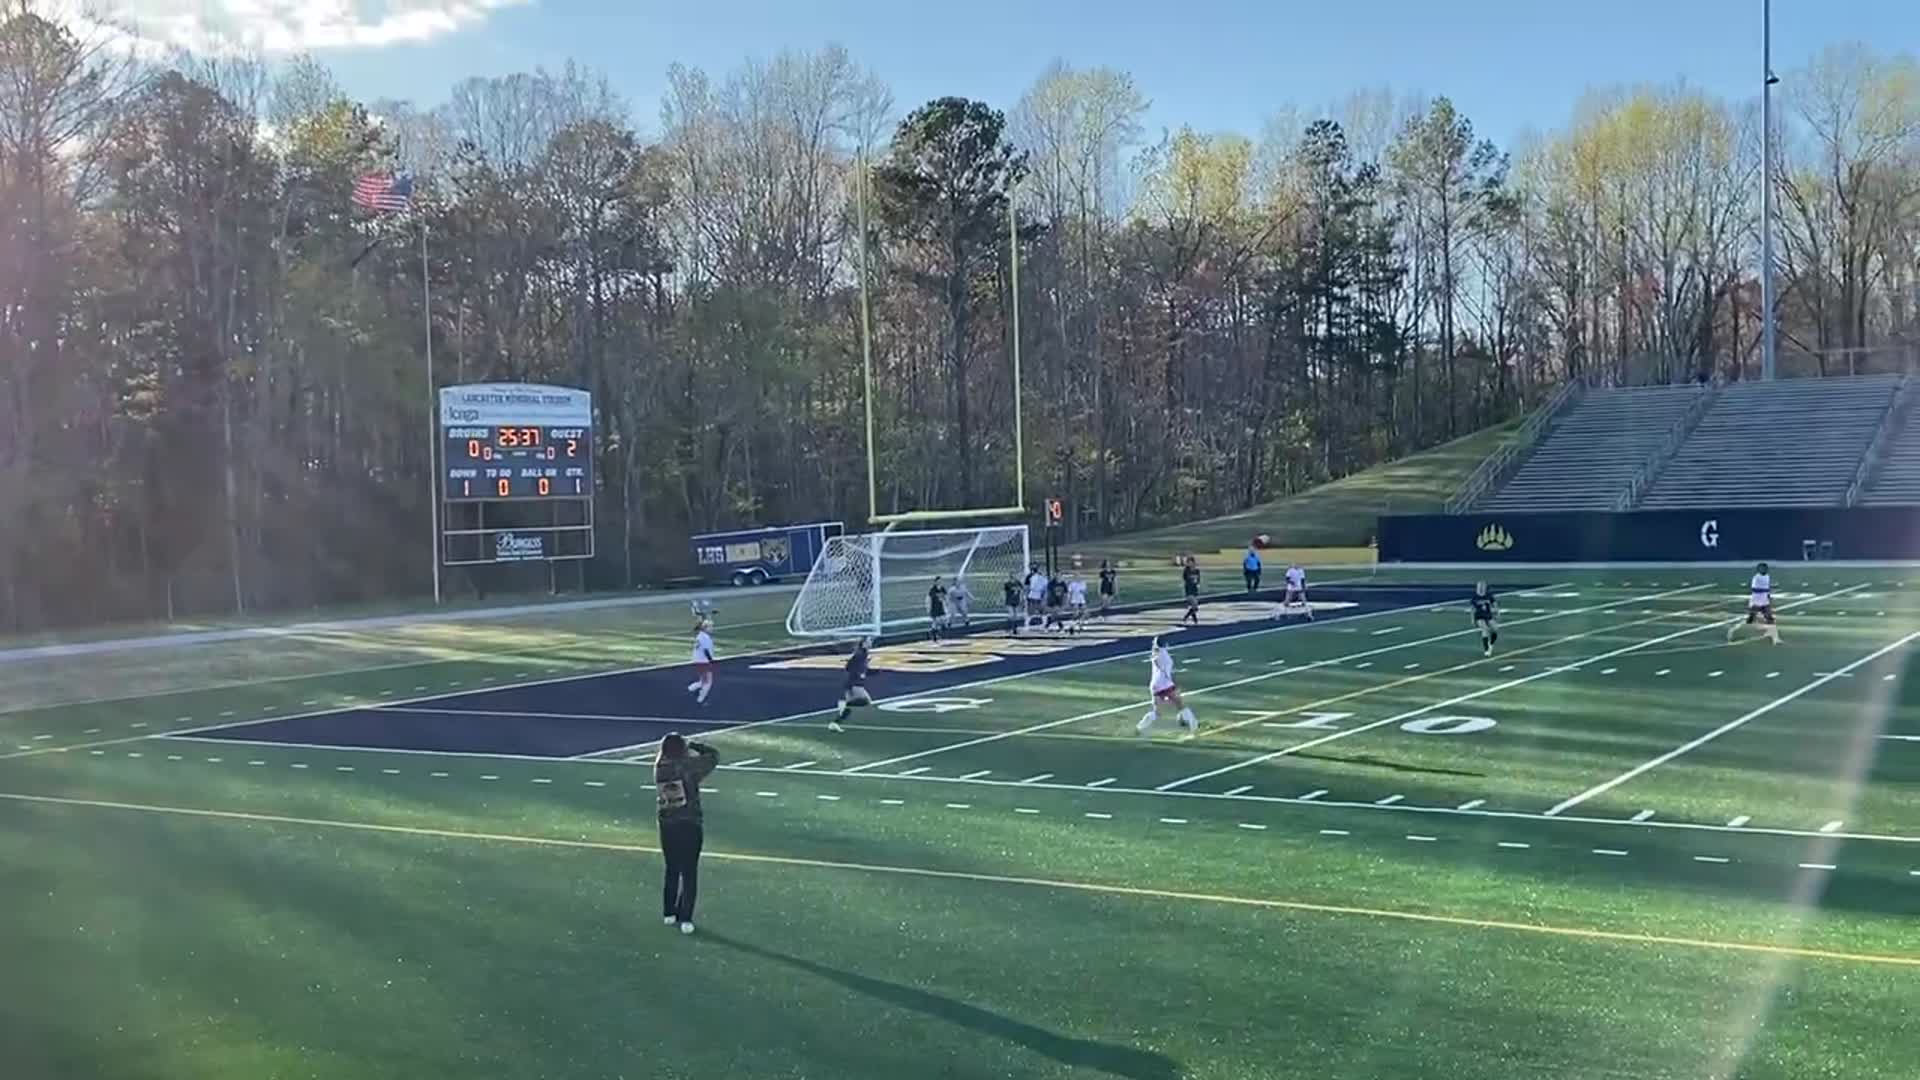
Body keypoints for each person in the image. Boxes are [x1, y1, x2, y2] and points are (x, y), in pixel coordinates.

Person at [654, 732, 719, 935]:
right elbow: (713, 756)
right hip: (690, 823)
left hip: (667, 824)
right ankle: (685, 917)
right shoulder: (689, 767)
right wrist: (694, 745)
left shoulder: (659, 767)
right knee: (689, 872)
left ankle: (668, 912)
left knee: (671, 868)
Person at [1136, 636, 1197, 735]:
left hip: (1155, 685)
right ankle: (1193, 725)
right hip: (1165, 683)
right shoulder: (1162, 653)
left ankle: (1140, 726)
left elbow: (1157, 661)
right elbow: (1161, 665)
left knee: (1157, 712)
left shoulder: (1156, 652)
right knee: (1180, 704)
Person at [1729, 562, 1781, 645]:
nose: (1765, 570)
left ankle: (1775, 639)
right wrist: (1766, 590)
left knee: (1770, 619)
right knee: (1750, 620)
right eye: (1763, 568)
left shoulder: (1767, 577)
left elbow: (1767, 589)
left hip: (1764, 602)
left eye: (1766, 568)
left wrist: (1769, 597)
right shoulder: (1756, 578)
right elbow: (1754, 590)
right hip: (1756, 602)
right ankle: (1733, 630)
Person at [829, 637, 873, 732]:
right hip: (854, 683)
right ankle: (844, 703)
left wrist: (874, 672)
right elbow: (849, 667)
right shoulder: (861, 654)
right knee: (866, 701)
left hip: (852, 682)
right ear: (864, 643)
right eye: (869, 641)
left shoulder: (863, 654)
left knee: (849, 709)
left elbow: (862, 670)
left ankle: (835, 723)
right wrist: (858, 674)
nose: (871, 642)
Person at [685, 618, 716, 704]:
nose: (712, 628)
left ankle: (691, 689)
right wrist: (711, 660)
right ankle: (700, 699)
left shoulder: (700, 635)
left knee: (703, 681)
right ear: (706, 628)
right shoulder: (705, 637)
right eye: (711, 627)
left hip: (699, 661)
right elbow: (706, 650)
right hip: (703, 661)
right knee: (707, 682)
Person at [1470, 581, 1499, 656]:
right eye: (1479, 587)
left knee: (1495, 629)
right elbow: (1473, 609)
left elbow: (1495, 604)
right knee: (1485, 629)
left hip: (1488, 615)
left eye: (1482, 587)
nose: (1480, 588)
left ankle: (1491, 644)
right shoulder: (1475, 597)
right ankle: (1486, 649)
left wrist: (1497, 612)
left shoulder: (1489, 596)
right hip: (1479, 616)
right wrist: (1473, 619)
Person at [1025, 564, 1050, 629]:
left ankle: (1044, 624)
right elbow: (1027, 587)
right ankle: (1027, 624)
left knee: (1042, 610)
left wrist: (1044, 595)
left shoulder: (1041, 576)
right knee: (1031, 611)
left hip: (1039, 595)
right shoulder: (1029, 577)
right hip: (1032, 595)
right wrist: (1026, 595)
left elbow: (1045, 586)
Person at [1181, 556, 1201, 626]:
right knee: (1195, 606)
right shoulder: (1186, 570)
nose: (1189, 563)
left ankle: (1194, 620)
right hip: (1189, 590)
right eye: (1188, 562)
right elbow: (1185, 578)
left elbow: (1198, 580)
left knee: (1194, 607)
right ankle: (1187, 617)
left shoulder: (1197, 571)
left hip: (1194, 590)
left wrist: (1197, 583)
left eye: (1190, 562)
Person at [927, 576, 948, 642]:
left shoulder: (942, 588)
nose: (940, 582)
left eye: (941, 581)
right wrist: (929, 608)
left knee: (943, 620)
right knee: (935, 622)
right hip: (934, 607)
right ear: (935, 582)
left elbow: (945, 596)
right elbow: (929, 598)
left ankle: (934, 632)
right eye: (938, 581)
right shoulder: (932, 589)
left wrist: (945, 601)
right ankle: (933, 633)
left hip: (940, 607)